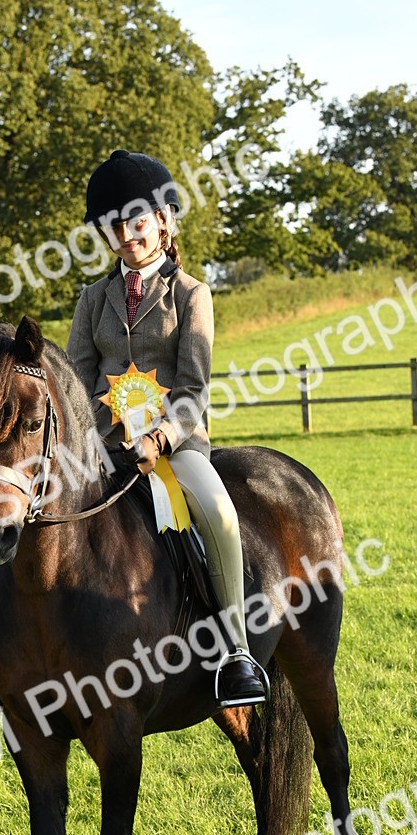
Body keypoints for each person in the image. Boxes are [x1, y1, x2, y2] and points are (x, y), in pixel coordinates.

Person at [65, 148, 266, 707]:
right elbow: (76, 382)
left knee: (219, 515)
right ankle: (23, 653)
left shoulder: (191, 294)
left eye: (135, 221)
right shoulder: (92, 299)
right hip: (104, 448)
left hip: (176, 448)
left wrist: (159, 439)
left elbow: (194, 389)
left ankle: (236, 652)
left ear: (162, 221)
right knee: (34, 506)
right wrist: (88, 444)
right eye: (114, 226)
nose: (125, 234)